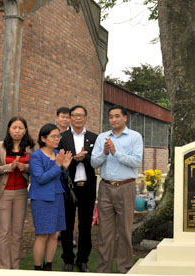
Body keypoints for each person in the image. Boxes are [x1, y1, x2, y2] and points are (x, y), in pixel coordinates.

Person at [91, 105, 143, 273]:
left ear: (125, 118)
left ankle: (125, 269)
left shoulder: (135, 137)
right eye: (111, 117)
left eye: (117, 116)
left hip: (126, 187)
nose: (113, 119)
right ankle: (103, 270)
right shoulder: (102, 138)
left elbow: (136, 162)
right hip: (105, 187)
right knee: (104, 233)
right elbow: (93, 163)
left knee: (125, 232)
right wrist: (105, 152)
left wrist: (116, 152)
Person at [28, 123, 72, 271]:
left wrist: (65, 168)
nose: (57, 139)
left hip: (58, 196)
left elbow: (61, 176)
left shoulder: (57, 153)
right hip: (42, 199)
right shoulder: (36, 156)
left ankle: (48, 265)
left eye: (58, 136)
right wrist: (58, 165)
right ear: (43, 138)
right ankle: (37, 268)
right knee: (42, 235)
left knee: (54, 234)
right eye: (53, 136)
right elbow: (40, 178)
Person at [0, 116, 35, 269]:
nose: (17, 131)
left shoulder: (30, 148)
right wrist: (9, 167)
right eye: (14, 128)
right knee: (4, 232)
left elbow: (35, 168)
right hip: (3, 193)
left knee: (17, 233)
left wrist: (26, 168)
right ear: (9, 129)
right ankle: (4, 268)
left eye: (20, 128)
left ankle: (15, 266)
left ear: (25, 130)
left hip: (21, 193)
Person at [60, 105, 97, 272]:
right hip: (69, 186)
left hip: (87, 186)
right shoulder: (62, 137)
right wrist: (75, 159)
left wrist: (85, 158)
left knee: (85, 225)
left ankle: (83, 260)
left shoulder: (94, 138)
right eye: (74, 115)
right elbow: (60, 162)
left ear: (86, 117)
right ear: (70, 118)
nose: (78, 118)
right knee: (67, 224)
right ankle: (68, 259)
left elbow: (97, 161)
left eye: (81, 115)